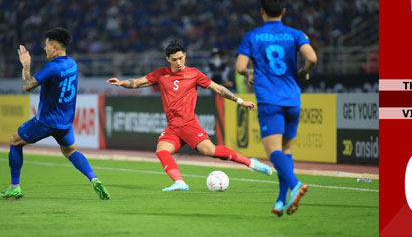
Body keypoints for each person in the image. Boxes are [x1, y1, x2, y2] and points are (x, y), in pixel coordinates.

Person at [106, 41, 272, 191]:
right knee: (162, 150)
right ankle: (180, 182)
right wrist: (122, 83)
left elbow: (218, 88)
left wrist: (239, 101)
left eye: (180, 58)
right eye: (174, 60)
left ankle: (250, 163)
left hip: (188, 124)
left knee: (210, 151)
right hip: (173, 127)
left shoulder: (194, 74)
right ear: (167, 59)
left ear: (185, 56)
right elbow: (137, 82)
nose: (178, 62)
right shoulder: (161, 74)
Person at [2, 28, 110, 200]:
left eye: (46, 45)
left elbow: (27, 86)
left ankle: (15, 187)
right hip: (65, 123)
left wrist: (26, 66)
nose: (44, 49)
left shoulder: (52, 68)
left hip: (46, 121)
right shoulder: (72, 64)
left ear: (55, 47)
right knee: (70, 151)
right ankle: (93, 178)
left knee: (15, 141)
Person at [236, 0, 318, 216]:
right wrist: (303, 71)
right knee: (286, 150)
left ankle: (295, 185)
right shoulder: (295, 34)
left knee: (272, 152)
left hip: (269, 101)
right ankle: (281, 200)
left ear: (261, 11)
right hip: (292, 100)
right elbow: (312, 58)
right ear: (283, 10)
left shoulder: (252, 37)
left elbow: (240, 67)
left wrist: (248, 73)